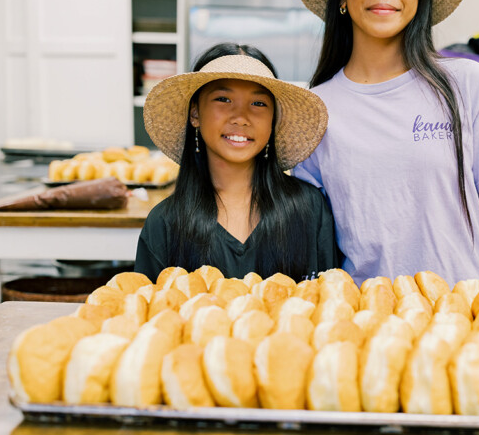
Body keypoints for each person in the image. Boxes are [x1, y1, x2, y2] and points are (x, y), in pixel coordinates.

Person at [292, 0, 479, 288]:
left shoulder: (467, 85)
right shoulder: (317, 109)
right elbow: (313, 239)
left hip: (461, 323)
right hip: (363, 323)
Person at [135, 43, 339, 282]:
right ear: (195, 114)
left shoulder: (309, 209)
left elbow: (329, 304)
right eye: (223, 99)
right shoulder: (165, 224)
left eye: (259, 103)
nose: (241, 118)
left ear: (273, 120)